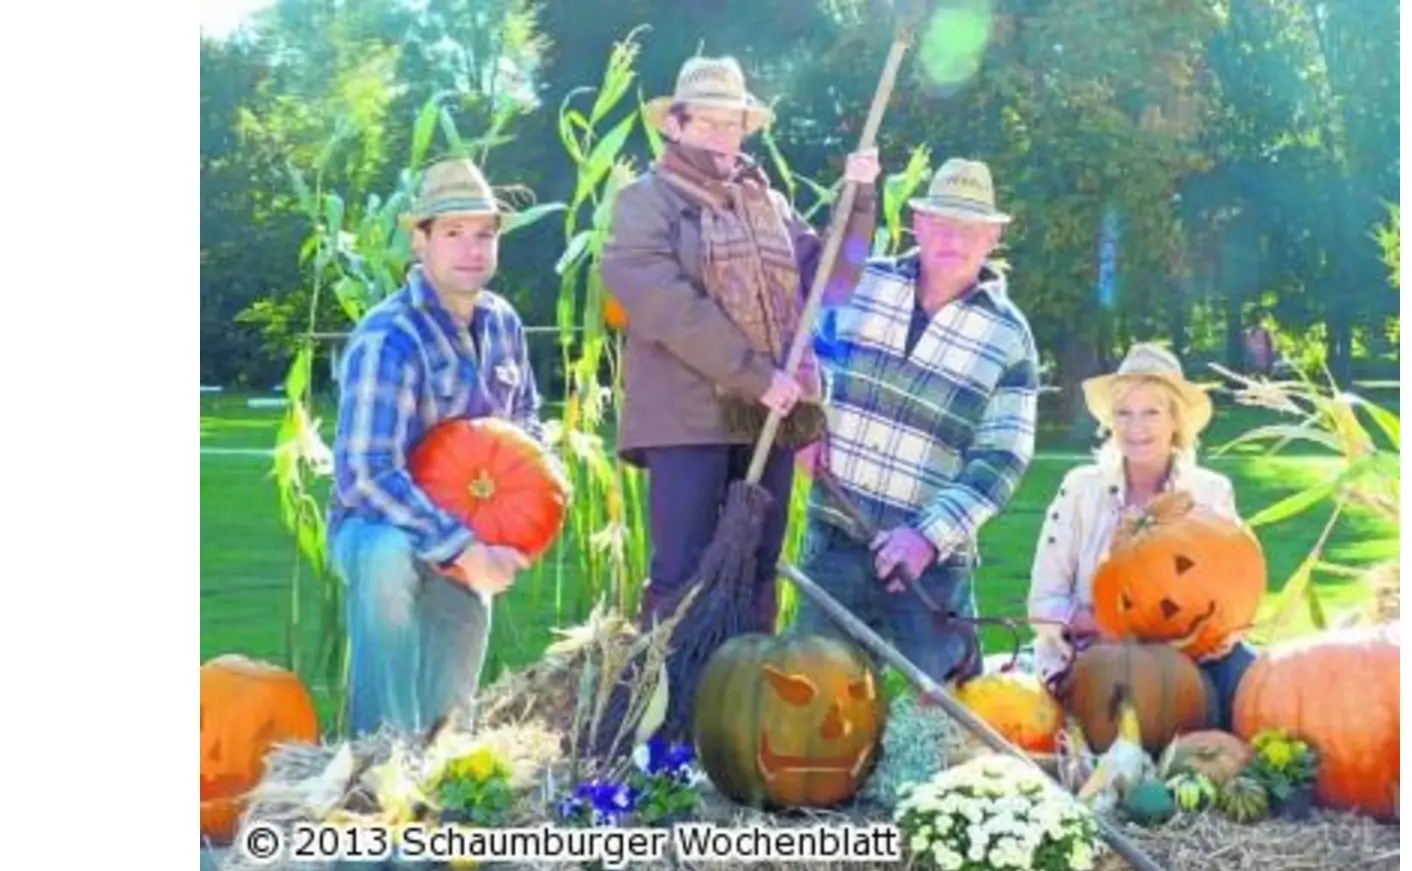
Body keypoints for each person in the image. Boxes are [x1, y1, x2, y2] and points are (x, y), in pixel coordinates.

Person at [599, 55, 881, 631]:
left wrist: (858, 202)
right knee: (685, 578)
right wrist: (756, 375)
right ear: (674, 126)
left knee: (755, 573)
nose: (723, 137)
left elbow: (831, 279)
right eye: (707, 122)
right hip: (687, 421)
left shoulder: (768, 206)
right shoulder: (644, 203)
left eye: (733, 124)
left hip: (765, 419)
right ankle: (671, 711)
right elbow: (670, 310)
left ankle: (743, 704)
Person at [790, 157, 1040, 684]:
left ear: (992, 237)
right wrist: (804, 422)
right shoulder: (863, 283)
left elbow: (1001, 459)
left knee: (939, 716)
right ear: (919, 224)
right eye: (942, 222)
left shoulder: (1008, 336)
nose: (954, 238)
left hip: (930, 566)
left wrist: (926, 537)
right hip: (836, 535)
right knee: (814, 703)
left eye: (970, 228)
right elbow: (805, 350)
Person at [327, 157, 549, 738]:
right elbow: (366, 474)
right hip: (378, 526)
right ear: (420, 241)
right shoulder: (389, 335)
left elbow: (525, 423)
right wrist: (465, 547)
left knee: (446, 722)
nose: (472, 249)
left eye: (484, 234)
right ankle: (377, 756)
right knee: (387, 555)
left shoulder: (503, 323)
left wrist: (522, 528)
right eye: (453, 233)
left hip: (467, 527)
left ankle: (435, 766)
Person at [1026, 342, 1257, 728]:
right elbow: (1042, 603)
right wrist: (1094, 623)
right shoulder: (1080, 489)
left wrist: (1202, 637)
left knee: (1248, 672)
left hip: (1188, 662)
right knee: (1131, 695)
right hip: (1096, 661)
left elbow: (1233, 601)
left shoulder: (1211, 492)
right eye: (1124, 413)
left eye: (1151, 412)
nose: (1136, 427)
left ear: (1175, 420)